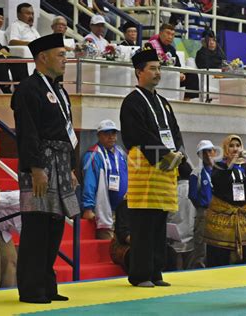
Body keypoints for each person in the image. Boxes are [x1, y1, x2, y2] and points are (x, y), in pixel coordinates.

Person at [11, 33, 80, 303]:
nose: (65, 59)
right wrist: (36, 167)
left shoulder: (58, 89)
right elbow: (27, 132)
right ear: (43, 57)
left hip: (61, 162)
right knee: (37, 225)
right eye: (60, 55)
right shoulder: (28, 88)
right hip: (39, 163)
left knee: (55, 226)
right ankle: (31, 289)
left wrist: (71, 168)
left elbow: (66, 132)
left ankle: (47, 285)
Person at [120, 44, 185, 288]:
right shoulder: (131, 102)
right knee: (143, 224)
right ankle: (140, 274)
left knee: (160, 223)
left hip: (165, 169)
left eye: (159, 69)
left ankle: (156, 271)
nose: (158, 73)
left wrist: (178, 154)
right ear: (139, 72)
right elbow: (139, 135)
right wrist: (164, 155)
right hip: (145, 169)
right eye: (153, 69)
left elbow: (175, 132)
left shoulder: (164, 102)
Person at [203, 135, 246, 267]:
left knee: (244, 255)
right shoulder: (219, 166)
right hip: (223, 219)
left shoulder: (245, 167)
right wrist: (231, 163)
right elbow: (219, 182)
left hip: (243, 218)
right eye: (231, 146)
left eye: (238, 146)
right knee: (221, 256)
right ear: (225, 148)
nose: (235, 149)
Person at [81, 119, 128, 240]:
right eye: (106, 134)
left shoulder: (121, 153)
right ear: (99, 135)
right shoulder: (93, 155)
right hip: (104, 210)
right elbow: (89, 183)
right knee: (107, 247)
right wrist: (88, 207)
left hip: (122, 210)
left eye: (113, 133)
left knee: (121, 247)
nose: (111, 137)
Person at [148, 23, 199, 100]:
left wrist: (180, 73)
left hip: (172, 76)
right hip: (158, 75)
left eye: (172, 35)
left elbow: (177, 65)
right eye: (168, 33)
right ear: (161, 33)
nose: (170, 37)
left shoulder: (171, 49)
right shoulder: (151, 45)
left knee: (192, 75)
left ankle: (186, 101)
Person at [188, 140, 216, 269]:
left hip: (217, 212)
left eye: (210, 151)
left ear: (214, 152)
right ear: (200, 155)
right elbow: (192, 195)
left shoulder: (218, 171)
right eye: (204, 152)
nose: (208, 154)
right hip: (203, 212)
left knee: (214, 244)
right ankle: (197, 269)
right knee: (201, 246)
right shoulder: (196, 173)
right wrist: (201, 206)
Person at [0, 7, 29, 93]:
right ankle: (6, 88)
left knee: (19, 60)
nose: (0, 20)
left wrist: (5, 52)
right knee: (0, 57)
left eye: (2, 18)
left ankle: (21, 88)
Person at [0, 191, 21, 289]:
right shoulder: (21, 198)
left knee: (11, 258)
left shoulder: (43, 220)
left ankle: (6, 294)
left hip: (1, 226)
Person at [166, 159, 195, 270]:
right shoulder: (194, 189)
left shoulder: (172, 190)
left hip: (175, 235)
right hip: (192, 234)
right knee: (190, 267)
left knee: (177, 267)